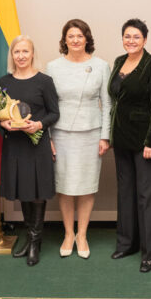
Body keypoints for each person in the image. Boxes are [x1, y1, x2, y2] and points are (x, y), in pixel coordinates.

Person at [45, 19, 111, 259]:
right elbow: (47, 105)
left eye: (79, 36)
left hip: (91, 133)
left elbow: (108, 104)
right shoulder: (53, 67)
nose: (75, 40)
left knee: (86, 185)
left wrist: (105, 136)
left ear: (87, 39)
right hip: (61, 133)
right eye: (70, 36)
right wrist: (48, 137)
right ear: (64, 40)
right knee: (64, 185)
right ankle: (68, 233)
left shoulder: (101, 66)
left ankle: (82, 234)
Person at [109, 19, 151, 273]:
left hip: (145, 142)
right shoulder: (118, 62)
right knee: (125, 193)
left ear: (145, 39)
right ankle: (127, 243)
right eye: (127, 36)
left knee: (146, 196)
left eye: (136, 37)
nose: (131, 41)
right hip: (121, 139)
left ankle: (150, 252)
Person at [0, 36, 60, 266]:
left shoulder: (44, 81)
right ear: (12, 55)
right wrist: (2, 123)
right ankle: (29, 238)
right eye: (17, 52)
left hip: (36, 144)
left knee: (36, 193)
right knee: (23, 191)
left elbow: (54, 113)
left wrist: (39, 125)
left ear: (32, 54)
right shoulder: (3, 81)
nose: (21, 56)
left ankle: (35, 242)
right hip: (15, 145)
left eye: (25, 51)